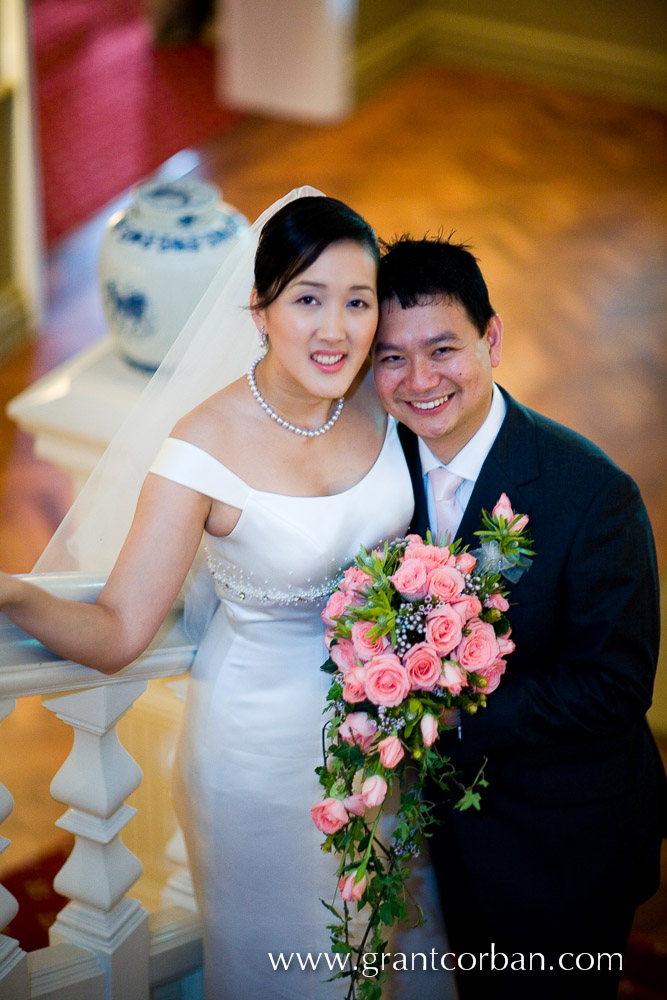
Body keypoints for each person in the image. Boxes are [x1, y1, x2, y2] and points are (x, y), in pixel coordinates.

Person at [0, 193, 425, 999]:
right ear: (260, 309)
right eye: (307, 299)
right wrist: (15, 594)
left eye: (356, 301)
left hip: (383, 740)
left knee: (379, 947)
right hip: (257, 759)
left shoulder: (379, 396)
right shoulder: (202, 447)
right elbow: (122, 626)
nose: (335, 329)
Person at [372, 233, 667, 1000]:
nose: (420, 381)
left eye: (443, 349)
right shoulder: (372, 474)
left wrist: (436, 712)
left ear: (492, 338)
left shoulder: (592, 496)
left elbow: (614, 686)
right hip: (435, 842)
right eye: (391, 358)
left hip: (561, 843)